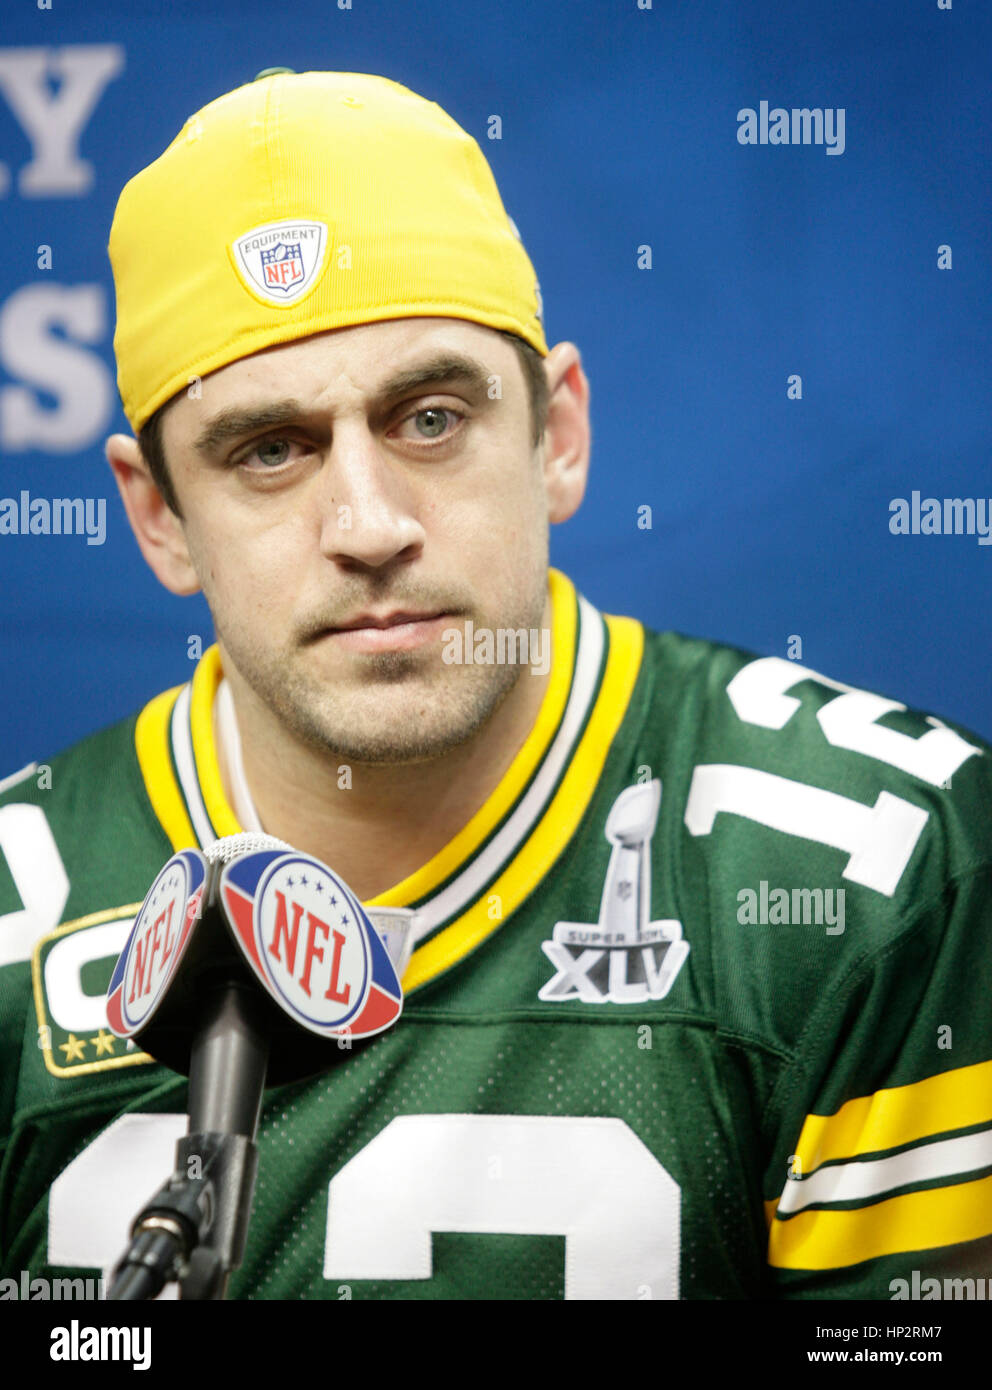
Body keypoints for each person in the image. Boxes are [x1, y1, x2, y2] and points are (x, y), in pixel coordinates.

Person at [1, 68, 990, 1302]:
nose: (366, 525)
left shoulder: (878, 871)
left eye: (427, 419)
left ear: (556, 436)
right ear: (159, 520)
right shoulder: (12, 904)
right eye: (268, 449)